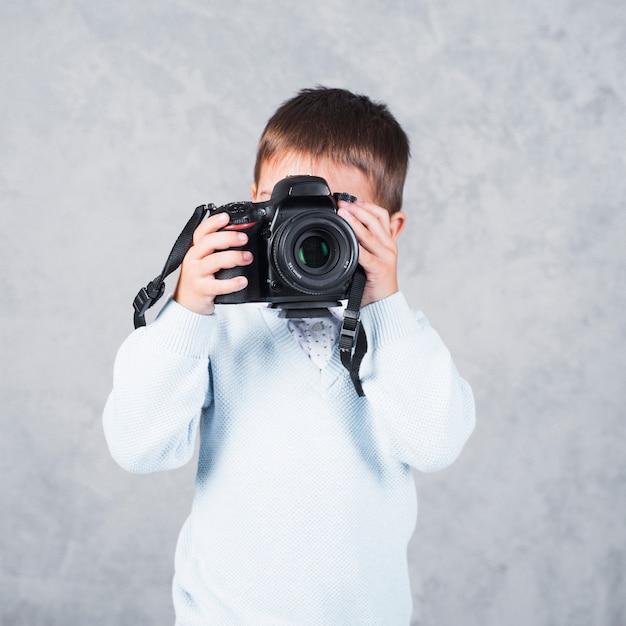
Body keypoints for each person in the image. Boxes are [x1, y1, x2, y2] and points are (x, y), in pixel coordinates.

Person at [103, 86, 475, 625]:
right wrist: (185, 309)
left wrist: (385, 306)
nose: (310, 233)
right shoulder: (217, 327)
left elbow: (437, 443)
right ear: (253, 206)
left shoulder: (397, 340)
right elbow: (137, 447)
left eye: (338, 214)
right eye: (289, 208)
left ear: (390, 229)